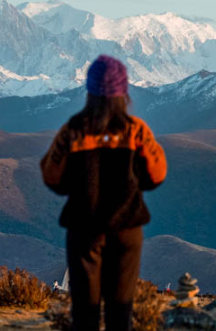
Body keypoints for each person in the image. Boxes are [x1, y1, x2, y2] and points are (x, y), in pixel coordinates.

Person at [40, 55, 167, 331]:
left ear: (90, 91)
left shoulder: (73, 130)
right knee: (120, 311)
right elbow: (156, 174)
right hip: (127, 230)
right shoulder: (136, 131)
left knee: (85, 311)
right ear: (124, 93)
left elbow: (52, 175)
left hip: (84, 230)